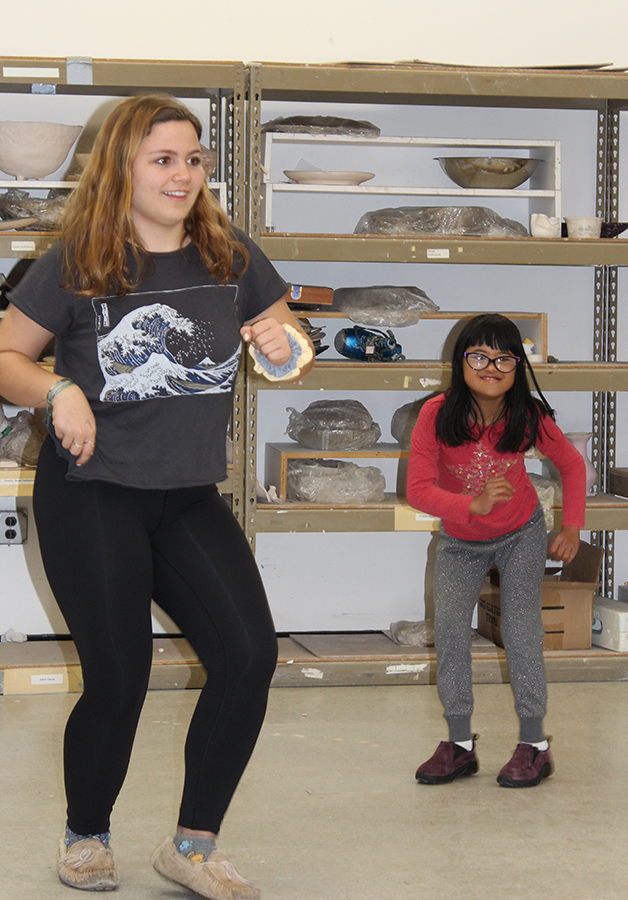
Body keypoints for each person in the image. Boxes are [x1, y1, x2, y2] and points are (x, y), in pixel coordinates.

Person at [0, 93, 314, 897]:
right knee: (121, 675)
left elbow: (286, 349)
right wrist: (55, 390)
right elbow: (6, 355)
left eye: (194, 157)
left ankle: (193, 847)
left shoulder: (227, 251)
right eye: (163, 159)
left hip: (187, 495)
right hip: (94, 493)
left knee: (248, 658)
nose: (184, 175)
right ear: (121, 168)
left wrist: (286, 345)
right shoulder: (75, 258)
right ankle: (86, 835)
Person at [405, 314, 586, 789]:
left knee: (521, 629)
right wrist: (472, 503)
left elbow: (571, 464)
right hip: (460, 540)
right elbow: (419, 490)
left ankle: (535, 745)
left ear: (518, 364)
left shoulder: (527, 414)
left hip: (521, 533)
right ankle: (460, 745)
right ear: (460, 361)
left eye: (504, 357)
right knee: (448, 630)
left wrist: (572, 526)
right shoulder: (437, 414)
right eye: (479, 356)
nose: (492, 367)